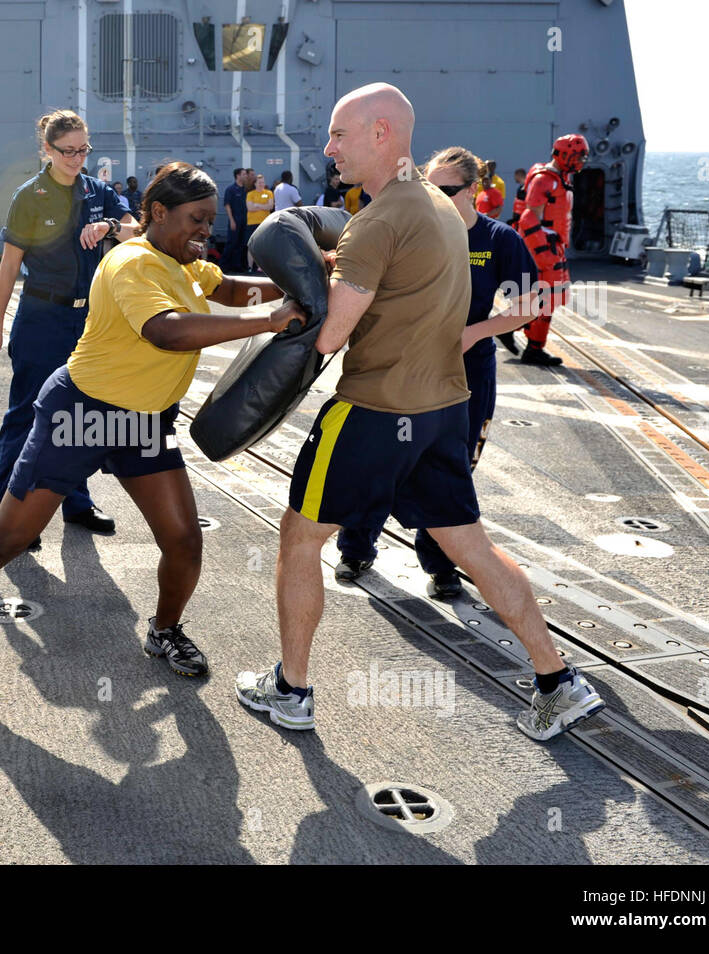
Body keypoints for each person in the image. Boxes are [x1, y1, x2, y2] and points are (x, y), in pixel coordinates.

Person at [235, 83, 606, 742]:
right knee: (473, 548)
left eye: (340, 134)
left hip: (376, 409)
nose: (329, 148)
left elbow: (327, 338)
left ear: (382, 133)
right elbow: (397, 279)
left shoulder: (375, 221)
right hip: (443, 409)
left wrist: (287, 304)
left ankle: (291, 691)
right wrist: (341, 265)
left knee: (299, 539)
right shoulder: (438, 206)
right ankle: (559, 681)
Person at [0, 162, 299, 685]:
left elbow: (230, 289)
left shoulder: (185, 262)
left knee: (184, 540)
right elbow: (167, 331)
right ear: (158, 213)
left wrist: (300, 278)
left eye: (210, 221)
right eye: (197, 219)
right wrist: (271, 320)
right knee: (3, 541)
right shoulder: (132, 263)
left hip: (141, 422)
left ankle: (164, 630)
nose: (207, 231)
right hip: (80, 415)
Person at [333, 145, 545, 602]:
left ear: (473, 190)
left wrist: (476, 332)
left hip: (466, 374)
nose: (437, 197)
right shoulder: (409, 229)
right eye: (430, 187)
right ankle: (355, 547)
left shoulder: (498, 240)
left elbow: (531, 304)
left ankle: (440, 562)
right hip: (401, 370)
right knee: (377, 461)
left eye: (448, 189)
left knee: (450, 470)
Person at [0, 110, 139, 550]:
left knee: (81, 416)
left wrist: (107, 225)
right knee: (26, 415)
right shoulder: (29, 196)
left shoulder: (98, 190)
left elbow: (135, 228)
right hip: (41, 317)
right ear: (47, 151)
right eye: (67, 151)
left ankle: (77, 502)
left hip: (88, 320)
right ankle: (6, 517)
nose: (76, 158)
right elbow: (9, 268)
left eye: (83, 149)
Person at [511, 134, 589, 366]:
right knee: (545, 300)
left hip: (554, 246)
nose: (580, 161)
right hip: (544, 247)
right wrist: (543, 254)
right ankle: (528, 345)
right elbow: (528, 218)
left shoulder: (560, 178)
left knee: (549, 300)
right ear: (564, 155)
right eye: (577, 156)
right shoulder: (545, 180)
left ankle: (530, 345)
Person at [222, 167, 250, 273]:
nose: (245, 176)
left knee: (241, 244)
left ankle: (236, 266)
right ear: (238, 176)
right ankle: (223, 265)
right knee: (231, 243)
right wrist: (232, 220)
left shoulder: (245, 189)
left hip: (244, 220)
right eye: (243, 174)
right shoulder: (231, 189)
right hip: (235, 219)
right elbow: (227, 205)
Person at [245, 173, 274, 273]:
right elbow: (250, 208)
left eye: (263, 182)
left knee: (263, 245)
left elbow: (270, 206)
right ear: (255, 184)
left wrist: (257, 205)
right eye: (259, 182)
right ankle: (250, 267)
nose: (262, 184)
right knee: (251, 245)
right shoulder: (250, 194)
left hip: (264, 223)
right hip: (252, 223)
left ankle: (261, 267)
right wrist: (263, 205)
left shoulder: (269, 193)